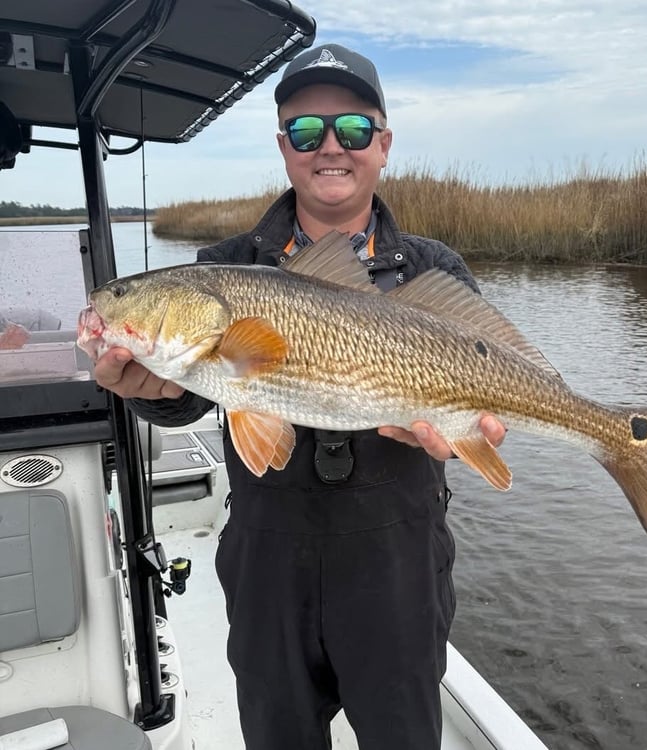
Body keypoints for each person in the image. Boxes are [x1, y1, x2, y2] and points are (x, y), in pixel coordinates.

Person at [94, 43, 505, 750]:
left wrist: (477, 432)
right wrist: (147, 394)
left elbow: (487, 396)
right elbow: (189, 402)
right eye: (307, 132)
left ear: (383, 144)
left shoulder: (433, 269)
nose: (330, 149)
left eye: (352, 129)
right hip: (268, 563)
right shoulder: (224, 267)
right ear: (284, 147)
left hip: (398, 562)